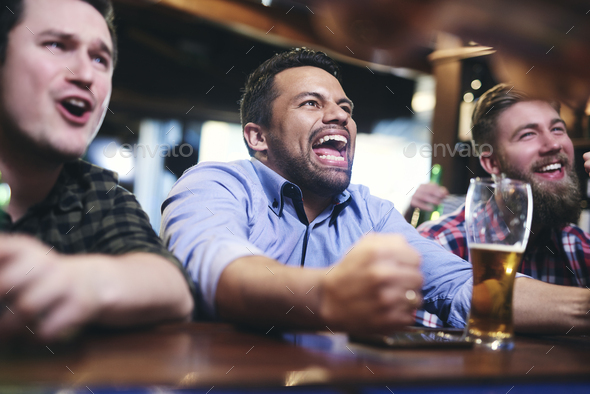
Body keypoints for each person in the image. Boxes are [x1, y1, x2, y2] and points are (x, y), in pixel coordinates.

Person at [161, 49, 589, 334]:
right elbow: (217, 268)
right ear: (258, 137)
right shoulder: (216, 183)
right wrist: (330, 295)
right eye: (311, 103)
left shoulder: (372, 214)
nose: (339, 117)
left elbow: (467, 288)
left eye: (345, 108)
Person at [0, 0, 194, 341]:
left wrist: (80, 281)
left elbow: (173, 287)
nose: (85, 75)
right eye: (57, 45)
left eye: (99, 59)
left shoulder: (97, 193)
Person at [417, 83, 590, 327]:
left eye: (558, 129)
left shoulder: (580, 248)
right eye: (528, 134)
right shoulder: (440, 245)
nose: (553, 144)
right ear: (492, 163)